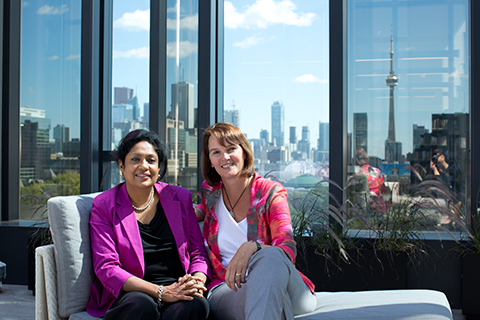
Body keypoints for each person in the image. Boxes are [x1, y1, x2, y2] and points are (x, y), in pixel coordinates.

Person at [196, 122, 317, 320]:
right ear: (209, 160)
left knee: (270, 257)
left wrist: (253, 247)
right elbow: (200, 211)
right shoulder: (209, 193)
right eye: (216, 152)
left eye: (231, 149)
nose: (225, 157)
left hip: (284, 281)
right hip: (227, 287)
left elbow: (286, 249)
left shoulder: (270, 192)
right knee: (271, 298)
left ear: (244, 152)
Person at [86, 129, 211, 320]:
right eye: (135, 159)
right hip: (132, 291)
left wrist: (196, 280)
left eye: (151, 160)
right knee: (142, 306)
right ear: (121, 165)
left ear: (159, 167)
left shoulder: (180, 197)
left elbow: (197, 252)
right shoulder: (105, 205)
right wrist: (160, 292)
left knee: (195, 304)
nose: (143, 166)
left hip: (176, 285)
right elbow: (107, 267)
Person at [354, 147, 388, 213]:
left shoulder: (357, 174)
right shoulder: (377, 171)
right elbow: (383, 190)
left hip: (364, 207)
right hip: (379, 207)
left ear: (357, 160)